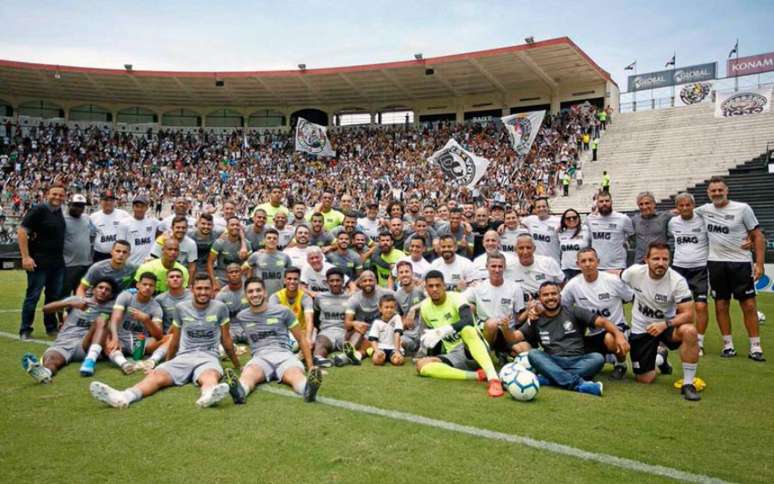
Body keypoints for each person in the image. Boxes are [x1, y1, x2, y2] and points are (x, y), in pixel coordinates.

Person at [90, 274, 239, 409]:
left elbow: (226, 339)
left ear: (213, 290)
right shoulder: (181, 308)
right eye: (199, 288)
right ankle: (124, 396)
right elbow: (174, 340)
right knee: (157, 376)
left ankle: (207, 395)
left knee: (210, 375)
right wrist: (165, 363)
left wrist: (238, 365)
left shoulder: (220, 308)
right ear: (192, 289)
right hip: (184, 356)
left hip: (208, 357)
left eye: (207, 288)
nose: (203, 292)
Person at [512, 281, 628, 396]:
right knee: (533, 354)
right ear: (540, 298)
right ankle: (578, 384)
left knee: (597, 358)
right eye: (545, 295)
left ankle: (550, 378)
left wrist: (619, 335)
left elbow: (603, 322)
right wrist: (504, 327)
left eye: (554, 293)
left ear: (560, 296)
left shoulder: (574, 311)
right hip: (552, 360)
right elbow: (515, 337)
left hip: (578, 360)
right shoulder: (536, 317)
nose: (550, 297)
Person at [695, 176, 765, 361]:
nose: (717, 193)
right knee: (721, 304)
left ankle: (755, 347)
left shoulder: (743, 208)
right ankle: (728, 345)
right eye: (713, 191)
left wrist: (759, 264)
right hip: (716, 263)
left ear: (727, 191)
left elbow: (757, 236)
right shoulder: (703, 210)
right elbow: (682, 211)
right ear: (708, 193)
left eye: (720, 190)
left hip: (740, 262)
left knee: (749, 305)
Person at [621, 242, 702, 400]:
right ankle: (660, 358)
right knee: (644, 379)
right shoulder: (634, 273)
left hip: (667, 326)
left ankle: (688, 384)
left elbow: (689, 314)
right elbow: (617, 278)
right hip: (642, 329)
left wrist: (664, 324)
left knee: (690, 331)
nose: (660, 263)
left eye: (665, 259)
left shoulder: (677, 281)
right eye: (656, 258)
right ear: (646, 259)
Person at [224, 277, 321, 404]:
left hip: (284, 355)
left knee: (295, 375)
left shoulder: (283, 311)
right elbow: (226, 334)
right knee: (249, 374)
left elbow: (301, 338)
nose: (255, 294)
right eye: (251, 291)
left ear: (265, 292)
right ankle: (239, 392)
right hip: (260, 358)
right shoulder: (242, 316)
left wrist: (310, 366)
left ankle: (308, 390)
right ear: (246, 295)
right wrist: (237, 363)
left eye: (258, 290)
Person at [414, 270, 504, 398]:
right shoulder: (425, 307)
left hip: (472, 347)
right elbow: (428, 336)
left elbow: (467, 321)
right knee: (421, 365)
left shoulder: (457, 297)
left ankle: (493, 378)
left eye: (438, 285)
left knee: (467, 329)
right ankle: (478, 375)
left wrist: (443, 330)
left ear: (444, 286)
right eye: (430, 286)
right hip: (454, 355)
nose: (434, 289)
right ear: (425, 288)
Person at [21, 278, 118, 383]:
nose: (103, 291)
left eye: (107, 290)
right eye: (100, 287)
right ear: (93, 290)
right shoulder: (77, 300)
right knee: (51, 359)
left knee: (101, 320)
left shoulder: (112, 307)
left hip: (85, 344)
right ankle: (45, 373)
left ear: (111, 295)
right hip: (64, 343)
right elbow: (46, 309)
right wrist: (70, 304)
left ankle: (90, 361)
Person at [562, 248, 633, 379]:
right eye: (583, 261)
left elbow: (631, 297)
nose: (588, 264)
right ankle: (604, 358)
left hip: (616, 330)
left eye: (591, 260)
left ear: (598, 262)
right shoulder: (572, 285)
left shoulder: (612, 280)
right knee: (572, 351)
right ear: (578, 264)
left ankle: (621, 364)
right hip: (593, 333)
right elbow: (562, 307)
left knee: (610, 339)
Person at [18, 182, 66, 339]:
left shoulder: (59, 212)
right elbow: (22, 231)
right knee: (33, 297)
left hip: (57, 263)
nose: (57, 197)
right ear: (47, 194)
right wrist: (25, 257)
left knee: (53, 297)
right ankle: (25, 329)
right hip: (38, 263)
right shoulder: (39, 210)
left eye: (60, 195)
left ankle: (51, 327)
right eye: (54, 194)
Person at [668, 193, 710, 356]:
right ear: (677, 207)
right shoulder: (673, 222)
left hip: (700, 268)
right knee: (679, 307)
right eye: (681, 205)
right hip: (679, 268)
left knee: (701, 306)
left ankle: (699, 341)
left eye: (688, 205)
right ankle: (680, 337)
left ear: (693, 205)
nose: (685, 208)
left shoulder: (703, 219)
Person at [465, 253, 525, 360]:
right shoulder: (478, 287)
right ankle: (487, 355)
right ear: (486, 267)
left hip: (507, 330)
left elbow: (519, 317)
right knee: (491, 323)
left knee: (521, 350)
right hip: (486, 329)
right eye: (493, 266)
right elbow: (460, 301)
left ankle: (502, 353)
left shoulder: (515, 287)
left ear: (504, 267)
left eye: (500, 266)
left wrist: (529, 310)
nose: (497, 270)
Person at [340, 271, 396, 365]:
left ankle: (353, 355)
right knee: (360, 329)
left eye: (370, 280)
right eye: (365, 281)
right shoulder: (354, 299)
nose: (368, 283)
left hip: (382, 331)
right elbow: (347, 324)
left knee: (377, 334)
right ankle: (348, 354)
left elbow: (400, 298)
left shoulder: (385, 293)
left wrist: (412, 310)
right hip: (363, 331)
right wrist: (354, 323)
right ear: (360, 283)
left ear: (376, 282)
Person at [311, 268, 350, 367]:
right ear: (327, 282)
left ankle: (344, 357)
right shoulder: (320, 297)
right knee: (320, 343)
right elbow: (315, 315)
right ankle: (320, 359)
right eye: (332, 281)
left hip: (343, 332)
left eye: (338, 280)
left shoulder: (350, 298)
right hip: (326, 332)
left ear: (343, 281)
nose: (335, 283)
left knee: (353, 342)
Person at [586, 192, 633, 272]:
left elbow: (632, 236)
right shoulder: (590, 219)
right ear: (597, 203)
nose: (604, 203)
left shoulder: (623, 219)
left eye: (607, 201)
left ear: (611, 202)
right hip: (596, 266)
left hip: (617, 266)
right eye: (601, 201)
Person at [62, 194, 97, 296]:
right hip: (68, 265)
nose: (80, 209)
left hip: (85, 264)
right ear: (69, 205)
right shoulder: (62, 219)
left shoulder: (87, 218)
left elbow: (93, 234)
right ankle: (62, 312)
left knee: (81, 295)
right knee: (64, 295)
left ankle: (75, 313)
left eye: (82, 206)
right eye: (76, 205)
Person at [244, 228, 291, 297]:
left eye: (274, 238)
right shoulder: (256, 255)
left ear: (278, 241)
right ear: (264, 240)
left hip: (279, 296)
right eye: (269, 238)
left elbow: (291, 275)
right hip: (260, 297)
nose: (272, 240)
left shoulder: (285, 257)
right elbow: (242, 270)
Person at [269, 267, 315, 338]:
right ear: (284, 280)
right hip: (283, 332)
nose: (292, 281)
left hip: (302, 332)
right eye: (289, 279)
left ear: (299, 281)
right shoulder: (275, 297)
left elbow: (309, 319)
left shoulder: (305, 298)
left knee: (310, 341)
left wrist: (308, 338)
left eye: (295, 279)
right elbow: (272, 319)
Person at [393, 260, 426, 356]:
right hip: (410, 333)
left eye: (407, 272)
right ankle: (414, 349)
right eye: (401, 272)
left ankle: (421, 350)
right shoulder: (397, 295)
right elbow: (398, 317)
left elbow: (432, 300)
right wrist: (403, 323)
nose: (404, 275)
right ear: (398, 276)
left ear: (412, 273)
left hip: (425, 330)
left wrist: (413, 308)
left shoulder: (421, 288)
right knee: (397, 340)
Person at [117, 194, 159, 266]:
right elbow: (120, 245)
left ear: (147, 208)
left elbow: (165, 227)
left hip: (149, 263)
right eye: (137, 206)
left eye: (142, 207)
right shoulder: (124, 223)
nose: (139, 209)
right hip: (130, 264)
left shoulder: (153, 221)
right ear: (133, 207)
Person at [630, 192, 672, 264]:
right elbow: (631, 238)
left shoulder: (665, 217)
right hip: (640, 261)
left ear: (654, 204)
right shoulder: (634, 220)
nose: (644, 207)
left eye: (647, 203)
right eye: (641, 204)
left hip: (659, 261)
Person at [208, 217, 249, 289]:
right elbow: (210, 263)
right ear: (227, 227)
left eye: (237, 225)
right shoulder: (219, 242)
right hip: (222, 277)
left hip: (240, 276)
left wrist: (248, 281)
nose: (235, 227)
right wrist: (214, 282)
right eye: (232, 225)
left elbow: (250, 264)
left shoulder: (246, 243)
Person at [90, 191, 129, 262]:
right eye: (106, 200)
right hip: (100, 255)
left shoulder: (124, 215)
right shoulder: (93, 217)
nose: (109, 202)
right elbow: (90, 236)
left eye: (111, 200)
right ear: (100, 201)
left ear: (115, 202)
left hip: (119, 254)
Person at [367, 294, 405, 366]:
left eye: (391, 307)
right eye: (386, 307)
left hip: (394, 348)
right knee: (377, 360)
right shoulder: (377, 322)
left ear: (395, 308)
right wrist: (377, 351)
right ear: (380, 309)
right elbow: (372, 339)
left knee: (398, 361)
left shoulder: (397, 318)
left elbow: (397, 334)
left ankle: (394, 356)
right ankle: (375, 354)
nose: (389, 310)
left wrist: (397, 351)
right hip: (381, 348)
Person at [216, 264, 249, 343]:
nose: (234, 274)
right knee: (224, 341)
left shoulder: (249, 291)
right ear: (227, 275)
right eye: (231, 272)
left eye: (236, 272)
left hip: (247, 325)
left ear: (241, 273)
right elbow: (218, 319)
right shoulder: (221, 295)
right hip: (231, 327)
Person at [521, 198, 561, 263]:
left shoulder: (558, 221)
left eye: (544, 206)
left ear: (548, 207)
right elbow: (515, 223)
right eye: (538, 207)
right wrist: (503, 225)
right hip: (536, 263)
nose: (541, 209)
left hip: (552, 262)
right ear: (535, 209)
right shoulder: (530, 220)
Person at [557, 209, 590, 281]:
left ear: (579, 218)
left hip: (582, 269)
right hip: (566, 269)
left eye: (574, 217)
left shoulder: (586, 229)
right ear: (564, 220)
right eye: (568, 218)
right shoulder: (560, 232)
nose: (571, 219)